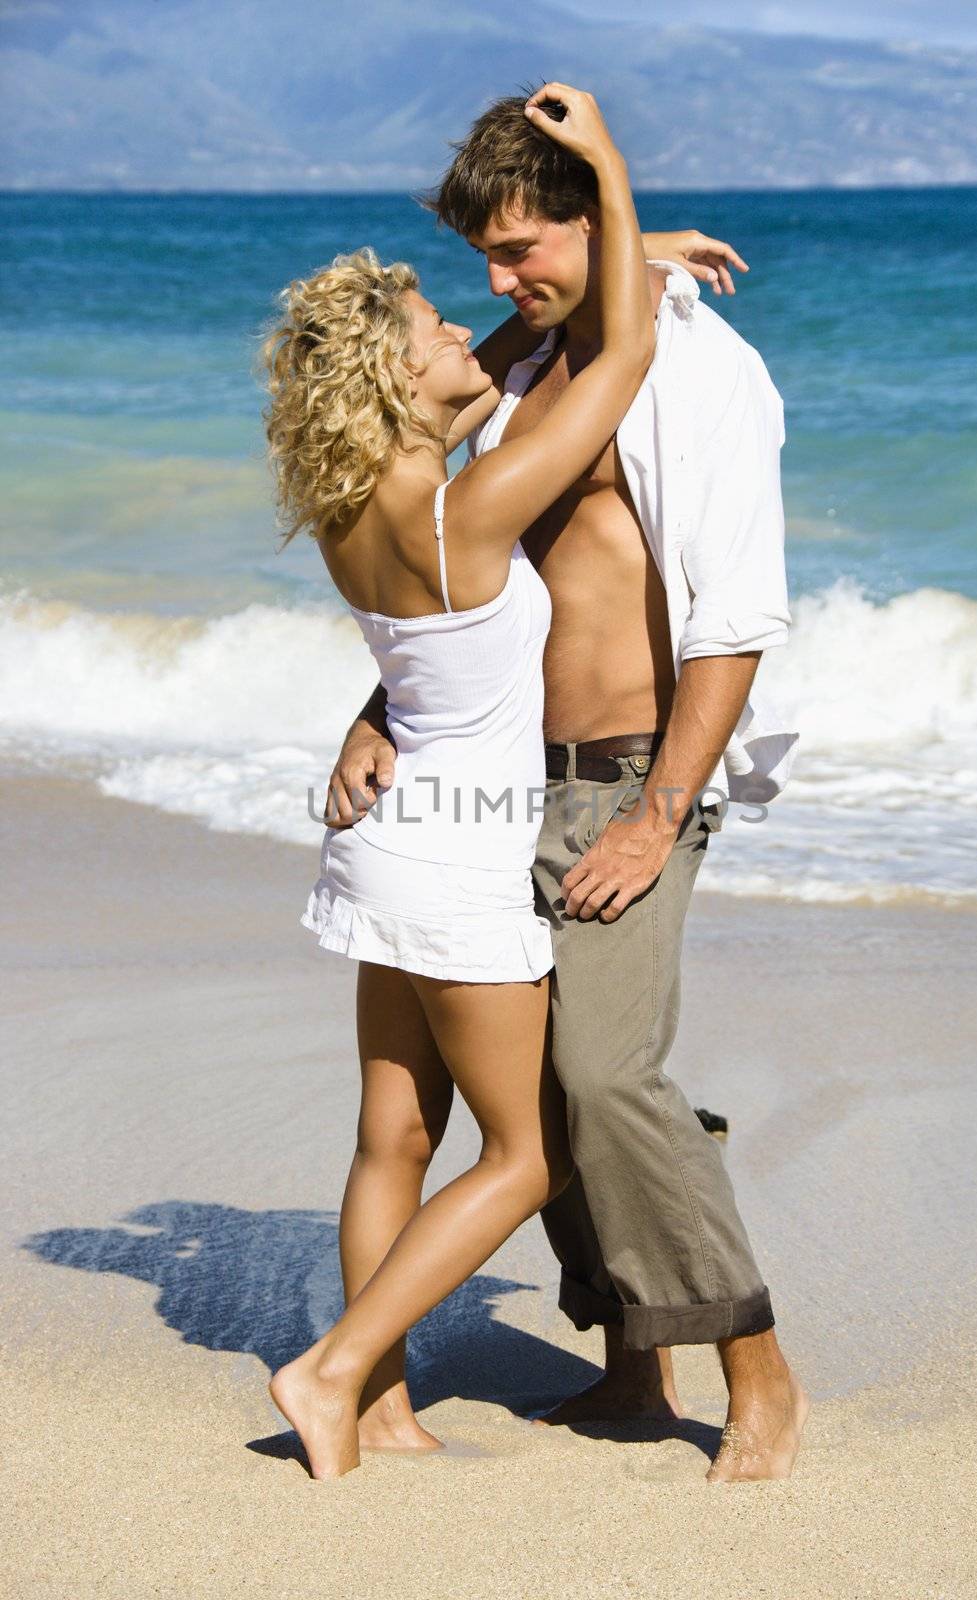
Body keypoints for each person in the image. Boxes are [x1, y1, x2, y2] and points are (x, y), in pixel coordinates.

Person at [332, 90, 808, 1482]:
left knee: (608, 1076)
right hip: (495, 780)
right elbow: (456, 569)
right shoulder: (534, 364)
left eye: (523, 245)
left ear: (589, 218)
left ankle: (760, 1372)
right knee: (542, 1094)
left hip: (625, 781)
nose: (500, 280)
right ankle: (630, 1367)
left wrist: (660, 813)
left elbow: (735, 618)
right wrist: (379, 707)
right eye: (484, 255)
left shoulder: (705, 378)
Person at [259, 85, 658, 1480]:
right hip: (456, 863)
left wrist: (621, 244)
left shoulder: (351, 507)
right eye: (434, 329)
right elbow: (612, 367)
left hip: (379, 849)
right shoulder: (467, 507)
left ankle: (377, 1417)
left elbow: (502, 364)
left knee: (392, 1133)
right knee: (518, 1158)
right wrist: (608, 182)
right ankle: (336, 1368)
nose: (460, 334)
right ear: (395, 384)